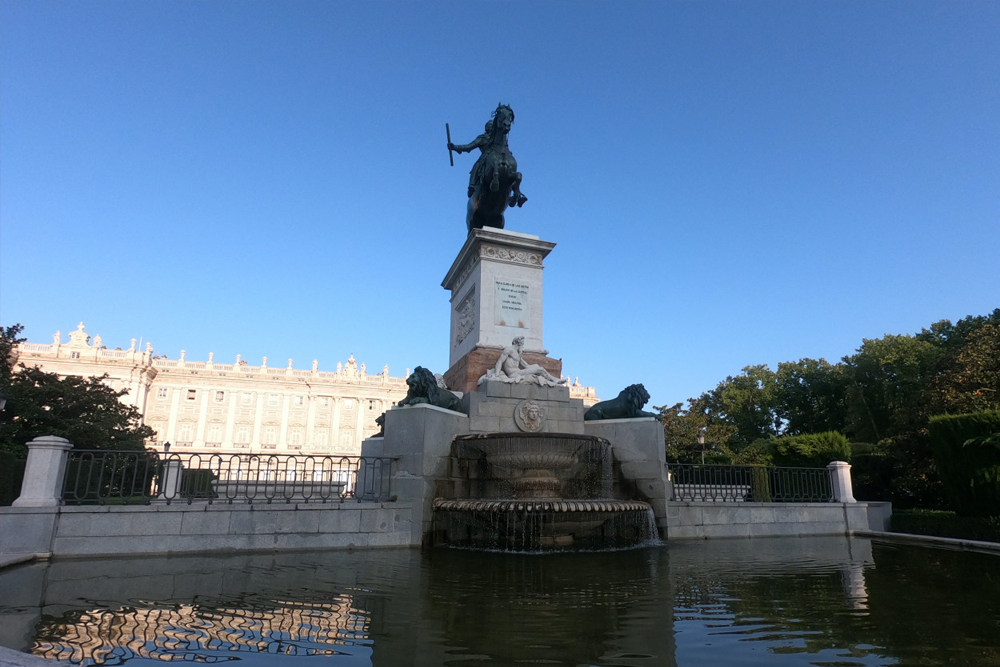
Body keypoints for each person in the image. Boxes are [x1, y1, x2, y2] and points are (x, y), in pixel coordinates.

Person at [493, 336, 566, 384]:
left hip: (519, 372)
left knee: (537, 366)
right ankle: (554, 380)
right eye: (522, 344)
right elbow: (500, 362)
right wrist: (496, 375)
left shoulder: (517, 353)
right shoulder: (509, 350)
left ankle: (553, 379)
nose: (523, 346)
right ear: (519, 343)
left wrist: (535, 368)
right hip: (514, 374)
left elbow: (526, 365)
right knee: (539, 370)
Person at [449, 120, 493, 197]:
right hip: (485, 157)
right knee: (476, 167)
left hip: (500, 155)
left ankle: (516, 193)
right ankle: (471, 186)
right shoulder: (482, 138)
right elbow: (469, 147)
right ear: (486, 128)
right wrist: (455, 147)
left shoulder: (498, 139)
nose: (491, 126)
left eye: (492, 125)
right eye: (490, 125)